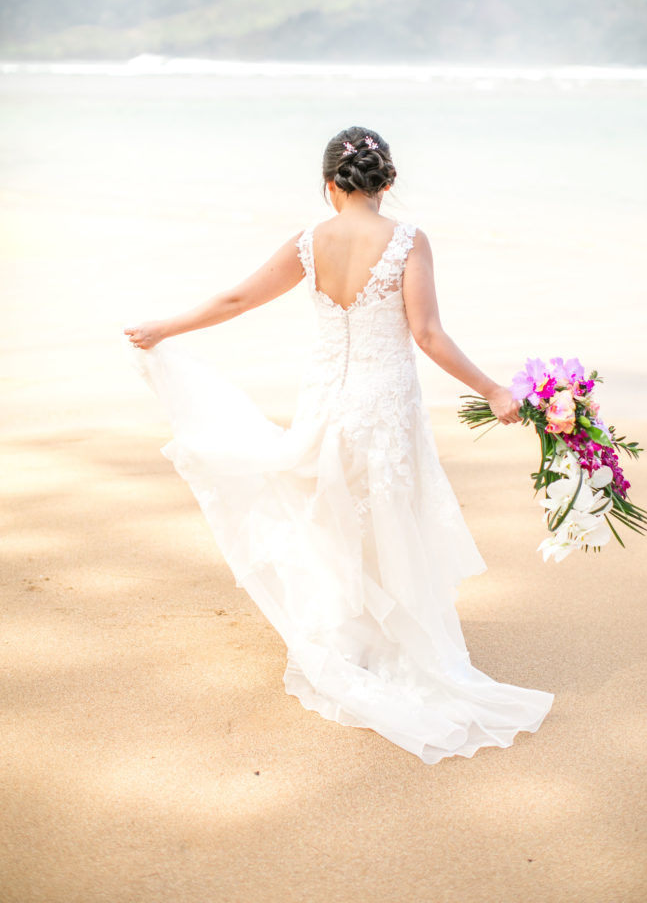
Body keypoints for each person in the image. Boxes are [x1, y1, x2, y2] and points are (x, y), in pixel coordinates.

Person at [124, 125, 553, 763]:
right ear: (389, 183)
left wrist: (166, 326)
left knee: (331, 514)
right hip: (384, 408)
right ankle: (394, 643)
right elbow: (428, 335)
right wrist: (493, 390)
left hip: (326, 405)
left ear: (330, 185)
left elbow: (239, 297)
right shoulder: (408, 239)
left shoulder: (309, 241)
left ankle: (352, 641)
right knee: (389, 519)